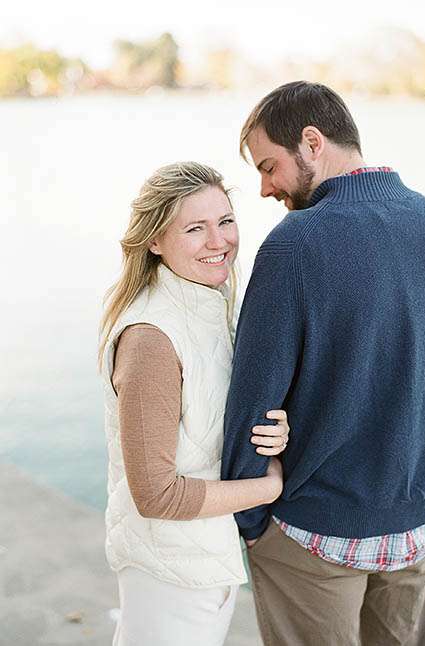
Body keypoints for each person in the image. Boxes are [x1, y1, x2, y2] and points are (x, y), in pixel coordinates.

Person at [221, 81, 425, 646]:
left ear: (312, 142)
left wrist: (249, 520)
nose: (264, 189)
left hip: (316, 531)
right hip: (422, 521)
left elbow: (253, 404)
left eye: (269, 167)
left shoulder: (295, 246)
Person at [98, 162, 291, 646]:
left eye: (225, 221)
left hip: (201, 558)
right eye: (195, 228)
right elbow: (157, 494)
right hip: (169, 577)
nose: (219, 241)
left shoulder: (208, 305)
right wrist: (266, 488)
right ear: (155, 241)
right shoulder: (150, 338)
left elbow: (207, 421)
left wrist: (271, 431)